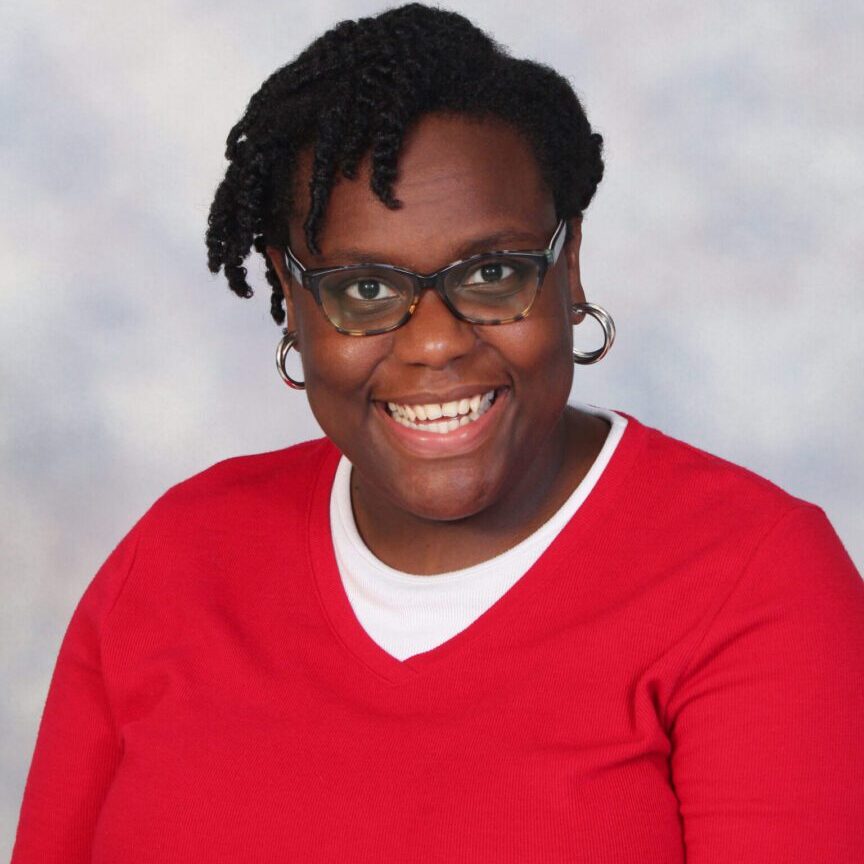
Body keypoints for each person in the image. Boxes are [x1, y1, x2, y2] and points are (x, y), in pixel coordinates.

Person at [11, 4, 864, 862]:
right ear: (294, 297)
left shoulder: (755, 582)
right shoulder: (173, 560)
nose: (433, 342)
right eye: (365, 290)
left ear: (567, 268)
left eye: (492, 273)